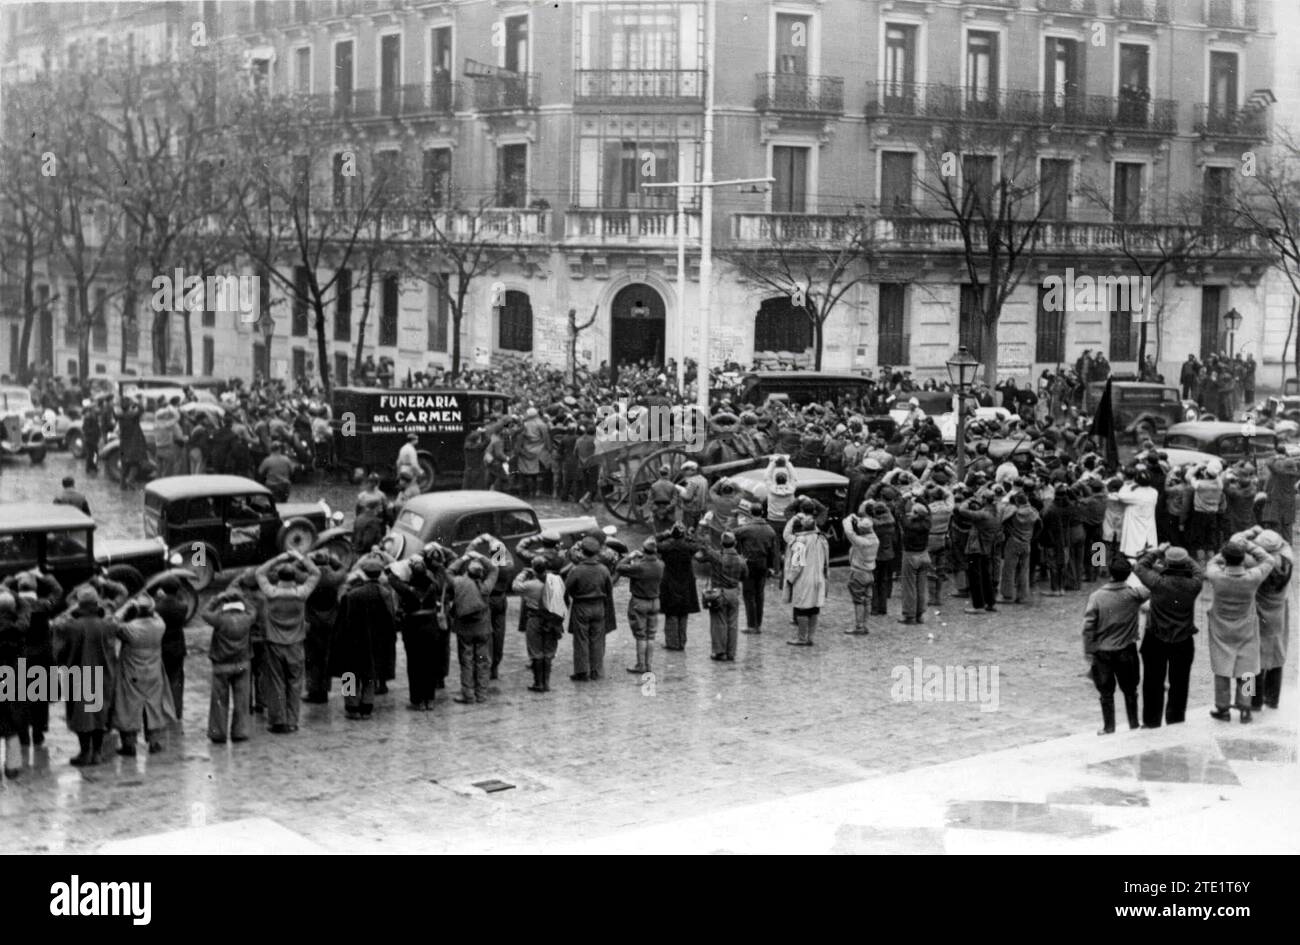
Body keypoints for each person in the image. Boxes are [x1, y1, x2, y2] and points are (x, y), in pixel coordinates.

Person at [1133, 545, 1204, 728]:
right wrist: (1185, 556)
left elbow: (1140, 567)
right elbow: (1197, 571)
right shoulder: (1194, 585)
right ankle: (1176, 720)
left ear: (1167, 563)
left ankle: (1151, 721)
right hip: (1183, 639)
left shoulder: (1158, 582)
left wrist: (1159, 550)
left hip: (1156, 637)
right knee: (1180, 684)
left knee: (1152, 682)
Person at [1205, 537, 1274, 723]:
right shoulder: (1252, 578)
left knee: (1222, 669)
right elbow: (1269, 560)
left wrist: (1227, 550)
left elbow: (1211, 562)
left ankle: (1223, 708)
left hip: (1221, 629)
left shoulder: (1216, 576)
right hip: (1246, 629)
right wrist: (1249, 545)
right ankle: (1245, 708)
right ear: (1243, 559)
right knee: (1247, 671)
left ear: (1225, 559)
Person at [254, 550, 321, 733]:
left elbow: (259, 572)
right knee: (295, 682)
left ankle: (278, 721)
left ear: (279, 577)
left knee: (276, 681)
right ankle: (292, 721)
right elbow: (316, 573)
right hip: (296, 642)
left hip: (274, 643)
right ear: (295, 577)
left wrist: (278, 557)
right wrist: (300, 557)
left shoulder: (271, 593)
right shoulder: (301, 593)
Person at [51, 586, 118, 766]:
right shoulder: (107, 625)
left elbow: (58, 647)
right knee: (99, 715)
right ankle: (97, 753)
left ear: (79, 604)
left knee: (80, 716)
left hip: (78, 677)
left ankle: (84, 752)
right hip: (103, 675)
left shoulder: (70, 627)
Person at [1082, 556, 1147, 735]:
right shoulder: (1134, 594)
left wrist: (1088, 650)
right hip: (1127, 649)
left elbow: (1088, 627)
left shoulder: (1096, 597)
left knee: (1105, 692)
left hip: (1103, 652)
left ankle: (1108, 727)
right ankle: (1134, 723)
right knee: (1130, 690)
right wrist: (1137, 567)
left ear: (1110, 573)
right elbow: (1152, 584)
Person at [331, 554, 397, 718]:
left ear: (363, 573)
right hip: (376, 642)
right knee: (370, 674)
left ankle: (351, 706)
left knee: (349, 674)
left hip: (353, 641)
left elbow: (342, 619)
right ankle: (367, 706)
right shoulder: (385, 594)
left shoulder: (352, 595)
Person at [112, 592, 176, 756]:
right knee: (154, 707)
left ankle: (129, 745)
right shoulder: (159, 625)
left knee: (128, 708)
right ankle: (154, 742)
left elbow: (113, 622)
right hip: (153, 672)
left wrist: (127, 607)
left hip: (131, 673)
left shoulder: (130, 629)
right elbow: (156, 615)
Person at [388, 552, 445, 711]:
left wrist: (406, 564)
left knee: (414, 665)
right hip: (431, 627)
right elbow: (440, 573)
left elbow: (392, 578)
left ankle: (417, 700)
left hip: (412, 627)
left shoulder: (407, 589)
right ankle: (430, 699)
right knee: (430, 663)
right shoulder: (433, 587)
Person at [199, 589, 255, 744]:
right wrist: (242, 596)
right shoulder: (247, 618)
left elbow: (204, 612)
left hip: (221, 665)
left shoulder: (219, 619)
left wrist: (217, 597)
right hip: (242, 664)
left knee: (219, 701)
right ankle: (240, 731)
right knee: (242, 700)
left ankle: (218, 732)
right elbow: (253, 609)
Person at [1248, 529, 1292, 712]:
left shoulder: (1258, 569)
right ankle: (1272, 699)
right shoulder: (1288, 562)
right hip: (1278, 616)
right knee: (1276, 657)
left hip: (1257, 617)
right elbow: (1286, 546)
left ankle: (1250, 700)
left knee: (1249, 662)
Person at [448, 551, 498, 703]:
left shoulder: (459, 582)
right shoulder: (486, 586)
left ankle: (468, 694)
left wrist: (464, 557)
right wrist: (481, 556)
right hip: (483, 630)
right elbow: (495, 569)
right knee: (482, 660)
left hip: (465, 631)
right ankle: (481, 694)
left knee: (467, 661)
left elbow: (448, 571)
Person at [512, 556, 566, 693]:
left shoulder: (531, 585)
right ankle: (546, 683)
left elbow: (515, 586)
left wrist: (524, 573)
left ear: (534, 569)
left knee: (536, 652)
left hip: (535, 619)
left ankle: (538, 683)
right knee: (548, 652)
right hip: (552, 620)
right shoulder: (555, 581)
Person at [564, 537, 615, 681]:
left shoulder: (577, 570)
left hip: (581, 606)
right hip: (599, 607)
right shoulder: (603, 569)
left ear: (583, 552)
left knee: (581, 639)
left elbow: (566, 589)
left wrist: (567, 603)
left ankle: (581, 671)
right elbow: (609, 589)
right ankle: (596, 671)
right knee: (597, 640)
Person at [303, 549, 347, 704]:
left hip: (312, 623)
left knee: (312, 659)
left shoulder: (308, 578)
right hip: (331, 622)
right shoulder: (334, 578)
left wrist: (306, 558)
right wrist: (332, 559)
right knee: (325, 658)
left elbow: (294, 569)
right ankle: (324, 690)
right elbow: (343, 568)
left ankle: (314, 691)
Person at [616, 538, 666, 673]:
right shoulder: (660, 565)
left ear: (644, 551)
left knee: (641, 635)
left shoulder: (639, 567)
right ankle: (649, 665)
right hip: (655, 602)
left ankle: (641, 665)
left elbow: (619, 567)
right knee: (651, 635)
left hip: (639, 602)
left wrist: (630, 556)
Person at [697, 531, 746, 662]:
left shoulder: (717, 557)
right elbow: (745, 576)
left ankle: (720, 652)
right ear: (735, 543)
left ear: (722, 543)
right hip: (734, 593)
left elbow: (704, 551)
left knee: (719, 622)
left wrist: (704, 539)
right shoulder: (741, 560)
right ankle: (731, 653)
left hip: (719, 593)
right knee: (733, 624)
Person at [783, 514, 828, 646]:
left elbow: (797, 565)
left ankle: (802, 638)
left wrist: (790, 579)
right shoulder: (821, 539)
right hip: (818, 578)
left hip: (803, 580)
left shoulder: (800, 541)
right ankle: (811, 637)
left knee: (801, 609)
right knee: (814, 609)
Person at [656, 523, 700, 651]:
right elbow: (698, 544)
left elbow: (652, 542)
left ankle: (672, 642)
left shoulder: (666, 547)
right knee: (683, 613)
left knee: (671, 613)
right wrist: (689, 536)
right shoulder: (689, 547)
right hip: (686, 583)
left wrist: (664, 534)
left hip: (670, 582)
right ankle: (682, 642)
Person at [734, 506, 777, 634]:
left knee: (748, 595)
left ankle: (751, 625)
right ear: (762, 513)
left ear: (751, 514)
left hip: (749, 564)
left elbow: (730, 534)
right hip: (763, 564)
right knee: (760, 595)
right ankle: (758, 624)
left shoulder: (746, 529)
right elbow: (773, 552)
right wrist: (772, 568)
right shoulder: (770, 530)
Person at [0, 592, 29, 777]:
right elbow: (26, 611)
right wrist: (15, 594)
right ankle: (12, 767)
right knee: (11, 726)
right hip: (11, 680)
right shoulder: (17, 628)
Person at [153, 578, 189, 724]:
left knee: (161, 680)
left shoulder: (157, 608)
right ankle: (177, 711)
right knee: (177, 680)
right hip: (178, 647)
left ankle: (163, 711)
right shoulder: (182, 606)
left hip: (162, 647)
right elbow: (183, 599)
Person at [843, 505, 879, 635]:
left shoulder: (860, 542)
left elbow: (848, 531)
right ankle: (865, 624)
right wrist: (858, 519)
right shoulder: (875, 539)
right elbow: (868, 526)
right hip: (870, 573)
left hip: (858, 573)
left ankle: (859, 626)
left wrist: (849, 518)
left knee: (858, 601)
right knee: (867, 600)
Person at [897, 502, 932, 624]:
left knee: (909, 587)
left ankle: (909, 615)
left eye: (912, 511)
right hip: (924, 555)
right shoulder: (927, 524)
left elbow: (899, 512)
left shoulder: (908, 525)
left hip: (911, 556)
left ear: (916, 514)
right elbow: (928, 511)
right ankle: (920, 615)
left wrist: (905, 498)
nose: (909, 513)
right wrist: (920, 497)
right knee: (921, 586)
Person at [677, 460, 708, 531]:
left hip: (691, 508)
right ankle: (694, 536)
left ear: (691, 471)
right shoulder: (704, 480)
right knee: (695, 526)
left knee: (688, 527)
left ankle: (689, 538)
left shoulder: (692, 482)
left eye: (685, 471)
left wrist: (679, 490)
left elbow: (688, 497)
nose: (684, 473)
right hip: (700, 507)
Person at [648, 465, 679, 533]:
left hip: (657, 509)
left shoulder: (654, 485)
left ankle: (660, 541)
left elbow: (650, 500)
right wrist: (667, 508)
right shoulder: (672, 485)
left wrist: (656, 509)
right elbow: (675, 500)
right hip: (669, 510)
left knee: (659, 530)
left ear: (660, 474)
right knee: (670, 529)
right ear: (668, 474)